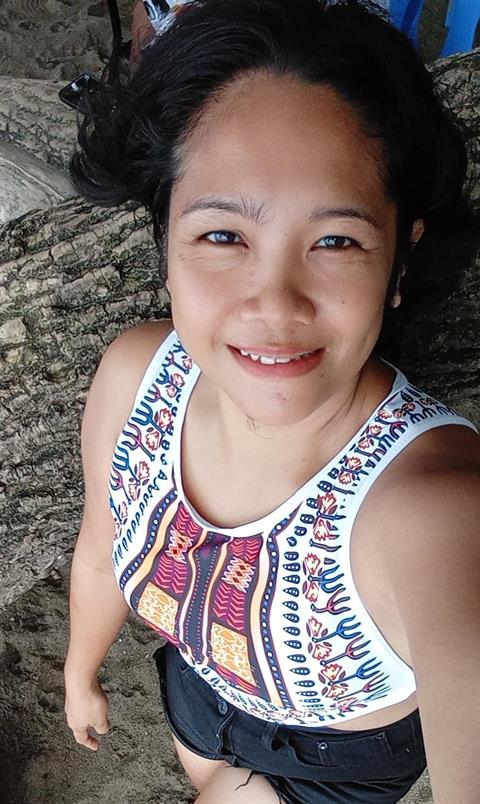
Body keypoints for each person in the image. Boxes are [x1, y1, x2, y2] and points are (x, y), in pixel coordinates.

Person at [63, 1, 480, 802]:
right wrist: (80, 671)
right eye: (223, 236)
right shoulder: (135, 379)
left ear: (400, 259)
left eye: (336, 240)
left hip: (338, 766)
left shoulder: (435, 512)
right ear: (164, 241)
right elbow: (101, 544)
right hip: (198, 690)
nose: (275, 304)